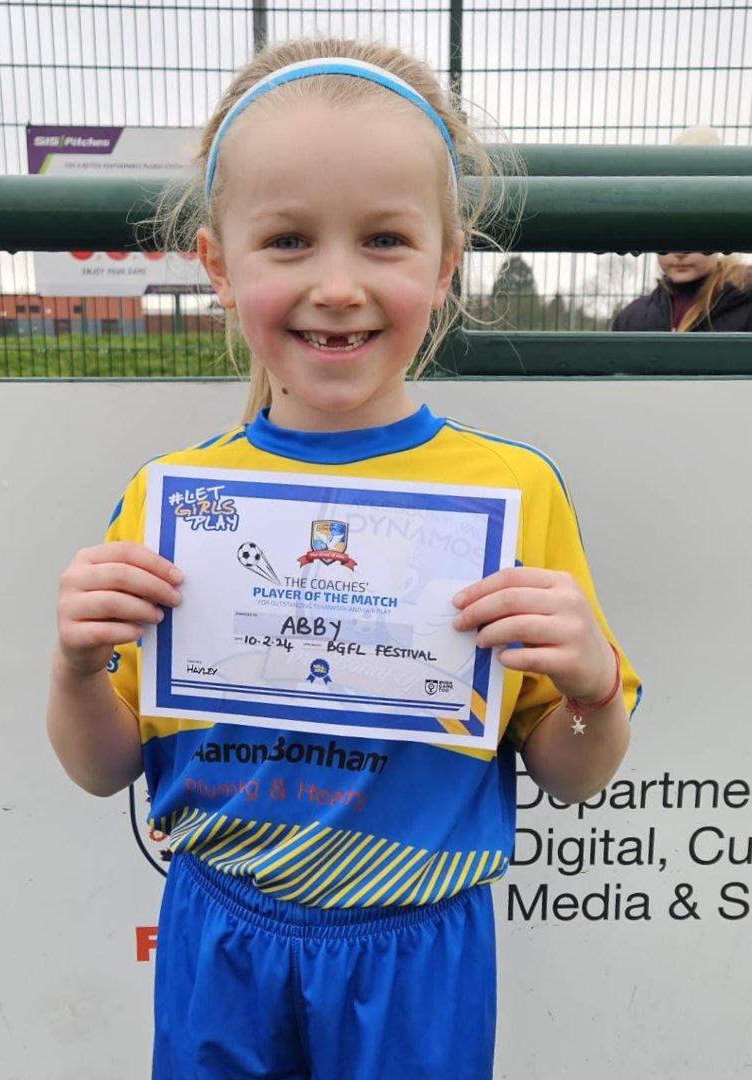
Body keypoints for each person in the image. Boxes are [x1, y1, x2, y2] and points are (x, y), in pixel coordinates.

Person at [47, 37, 641, 1080]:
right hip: (219, 931)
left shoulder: (510, 495)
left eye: (382, 239)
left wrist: (591, 686)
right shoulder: (168, 499)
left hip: (417, 947)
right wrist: (75, 666)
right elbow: (102, 769)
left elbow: (574, 772)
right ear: (219, 267)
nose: (336, 285)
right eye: (286, 240)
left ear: (444, 262)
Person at [612, 251, 752, 332]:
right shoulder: (632, 316)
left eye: (695, 237)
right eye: (668, 238)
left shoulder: (746, 306)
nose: (680, 253)